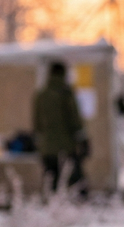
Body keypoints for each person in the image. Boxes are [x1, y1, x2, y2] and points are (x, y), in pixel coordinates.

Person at [32, 62, 88, 196]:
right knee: (75, 181)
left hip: (47, 148)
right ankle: (76, 209)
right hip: (66, 146)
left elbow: (37, 123)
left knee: (51, 182)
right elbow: (75, 119)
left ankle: (52, 209)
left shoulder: (41, 95)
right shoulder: (66, 94)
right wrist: (82, 139)